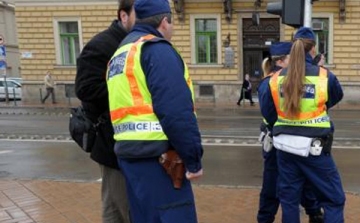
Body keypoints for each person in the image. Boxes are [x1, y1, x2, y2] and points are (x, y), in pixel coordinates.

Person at [106, 0, 204, 222]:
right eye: (173, 23)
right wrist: (193, 160)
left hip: (130, 159)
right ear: (164, 22)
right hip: (162, 163)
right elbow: (176, 112)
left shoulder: (120, 54)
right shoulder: (156, 50)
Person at [258, 27, 345, 223]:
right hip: (315, 149)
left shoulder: (273, 80)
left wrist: (288, 119)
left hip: (285, 149)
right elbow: (334, 97)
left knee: (289, 201)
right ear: (313, 49)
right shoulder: (324, 76)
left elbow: (269, 114)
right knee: (333, 199)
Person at [75, 1, 135, 222]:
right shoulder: (102, 45)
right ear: (124, 16)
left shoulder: (132, 43)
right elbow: (84, 89)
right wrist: (122, 89)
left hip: (125, 140)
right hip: (111, 142)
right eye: (140, 14)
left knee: (114, 207)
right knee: (122, 207)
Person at [257, 42, 323, 223]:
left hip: (284, 141)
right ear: (282, 60)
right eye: (292, 59)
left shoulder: (280, 80)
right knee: (274, 187)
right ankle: (267, 218)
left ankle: (314, 211)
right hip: (277, 143)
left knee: (295, 184)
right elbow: (269, 114)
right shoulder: (272, 82)